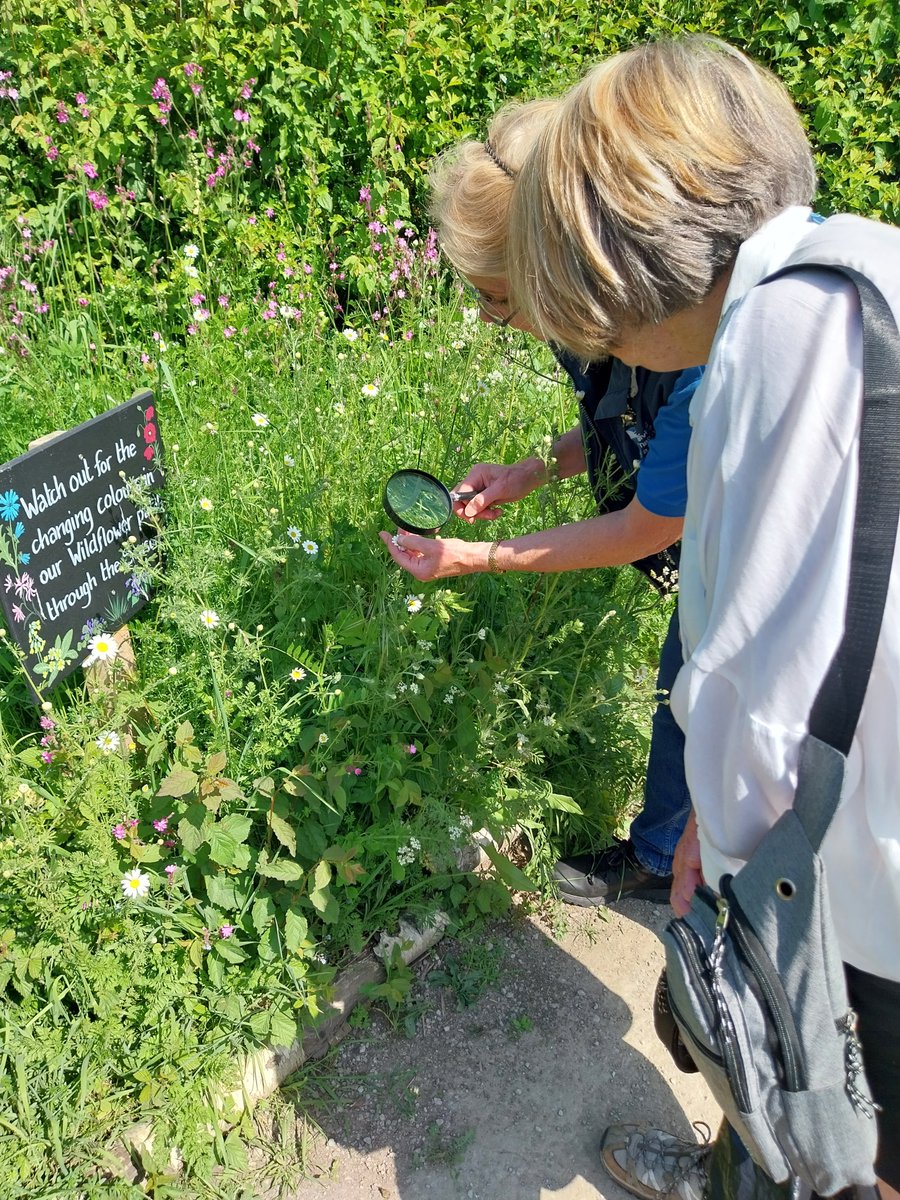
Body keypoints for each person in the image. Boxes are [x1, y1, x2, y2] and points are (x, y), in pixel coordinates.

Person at [507, 34, 900, 1200]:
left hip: (870, 881)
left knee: (843, 1122)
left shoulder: (768, 345)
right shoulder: (863, 264)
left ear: (621, 260)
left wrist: (715, 849)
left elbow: (759, 676)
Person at [380, 100, 703, 905]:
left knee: (710, 690)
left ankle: (706, 882)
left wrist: (475, 559)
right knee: (688, 682)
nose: (495, 320)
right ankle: (666, 848)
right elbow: (623, 419)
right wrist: (532, 469)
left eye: (498, 299)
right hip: (721, 538)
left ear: (559, 272)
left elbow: (644, 527)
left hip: (819, 567)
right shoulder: (608, 320)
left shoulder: (705, 358)